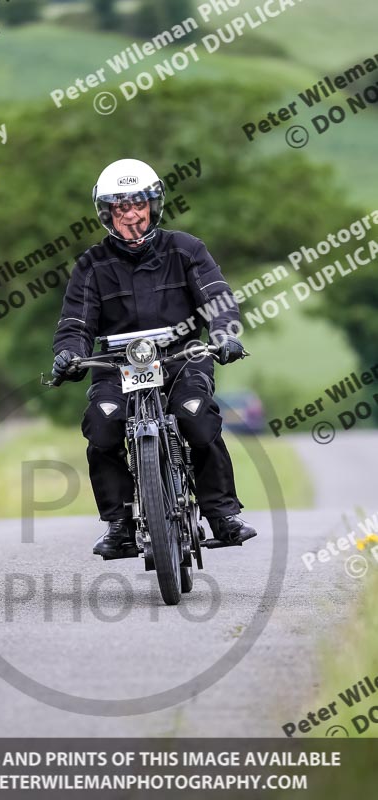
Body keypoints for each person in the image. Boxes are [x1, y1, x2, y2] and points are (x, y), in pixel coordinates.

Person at [51, 158, 257, 559]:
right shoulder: (90, 266)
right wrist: (69, 355)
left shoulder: (187, 249)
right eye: (120, 207)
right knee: (102, 426)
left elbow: (218, 299)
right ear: (106, 213)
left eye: (137, 204)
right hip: (117, 365)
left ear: (153, 205)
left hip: (182, 358)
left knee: (197, 418)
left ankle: (221, 515)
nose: (130, 214)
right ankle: (120, 524)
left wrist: (224, 334)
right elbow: (75, 323)